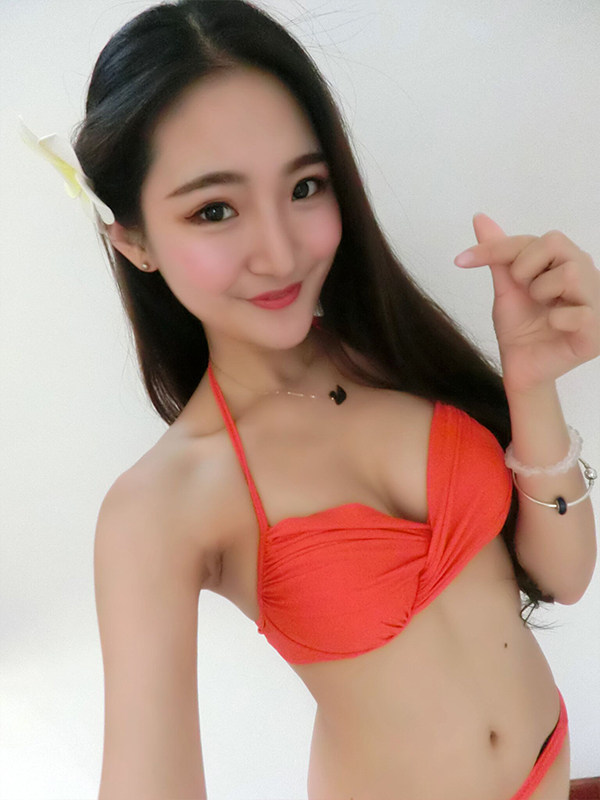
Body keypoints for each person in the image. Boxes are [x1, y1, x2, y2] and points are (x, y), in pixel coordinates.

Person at [23, 1, 599, 797]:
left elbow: (565, 575)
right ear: (135, 241)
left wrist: (532, 385)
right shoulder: (161, 507)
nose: (281, 250)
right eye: (215, 209)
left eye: (304, 186)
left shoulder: (395, 351)